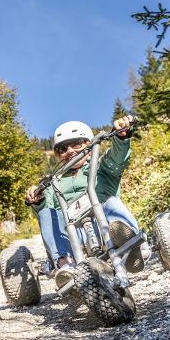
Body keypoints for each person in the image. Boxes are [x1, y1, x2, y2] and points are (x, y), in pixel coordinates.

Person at [25, 115, 145, 290]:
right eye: (62, 149)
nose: (70, 151)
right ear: (58, 155)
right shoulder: (53, 183)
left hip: (105, 224)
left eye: (76, 144)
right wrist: (38, 200)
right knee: (46, 213)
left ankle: (128, 243)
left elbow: (117, 160)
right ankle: (65, 265)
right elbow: (48, 215)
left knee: (110, 202)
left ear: (89, 146)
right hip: (73, 234)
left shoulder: (101, 166)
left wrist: (121, 136)